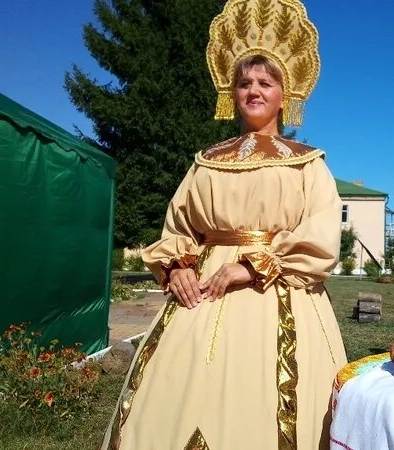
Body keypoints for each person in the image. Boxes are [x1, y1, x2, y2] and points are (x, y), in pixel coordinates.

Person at [101, 1, 347, 448]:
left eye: (265, 82)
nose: (253, 90)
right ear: (230, 93)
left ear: (284, 93)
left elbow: (321, 235)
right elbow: (178, 226)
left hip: (277, 292)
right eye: (244, 82)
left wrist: (253, 266)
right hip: (200, 298)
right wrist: (177, 268)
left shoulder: (308, 164)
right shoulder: (206, 162)